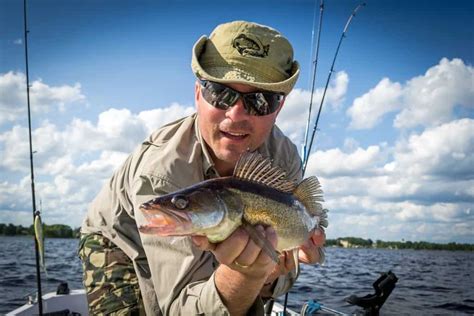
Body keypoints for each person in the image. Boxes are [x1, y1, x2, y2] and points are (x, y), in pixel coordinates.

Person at [78, 20, 325, 315]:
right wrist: (244, 274)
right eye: (221, 93)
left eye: (260, 100)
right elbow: (181, 307)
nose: (236, 114)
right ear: (198, 94)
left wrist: (269, 272)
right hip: (122, 244)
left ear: (279, 108)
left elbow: (286, 260)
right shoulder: (161, 171)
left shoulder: (284, 158)